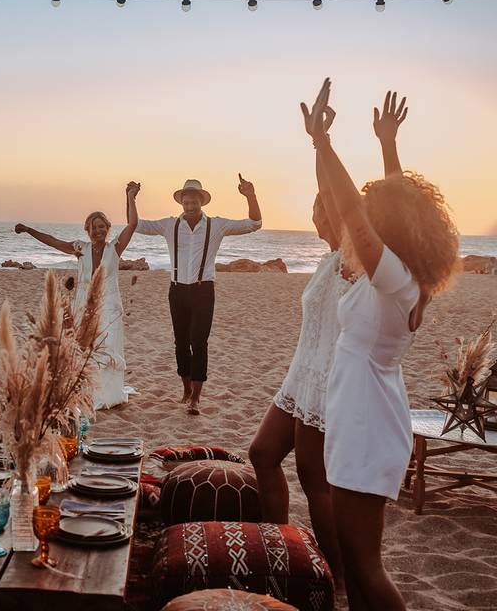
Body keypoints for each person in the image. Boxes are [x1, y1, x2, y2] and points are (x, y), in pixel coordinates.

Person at [302, 78, 459, 610]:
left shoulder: (393, 278)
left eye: (376, 212)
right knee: (359, 558)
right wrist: (388, 147)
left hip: (366, 426)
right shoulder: (406, 274)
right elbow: (401, 207)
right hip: (365, 415)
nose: (362, 218)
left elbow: (355, 215)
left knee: (366, 569)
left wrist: (323, 144)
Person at [248, 90, 411, 591]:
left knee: (314, 480)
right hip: (303, 375)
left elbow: (381, 207)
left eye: (325, 208)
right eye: (315, 208)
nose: (317, 213)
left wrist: (340, 145)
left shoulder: (358, 262)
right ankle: (287, 549)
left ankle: (332, 574)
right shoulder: (327, 261)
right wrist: (319, 140)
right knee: (262, 454)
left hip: (334, 385)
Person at [136, 176, 262, 414]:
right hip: (177, 290)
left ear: (201, 201)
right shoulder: (169, 225)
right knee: (181, 343)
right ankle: (185, 389)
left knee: (199, 342)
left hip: (204, 290)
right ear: (181, 201)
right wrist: (130, 199)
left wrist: (250, 196)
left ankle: (196, 397)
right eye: (187, 197)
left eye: (195, 197)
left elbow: (255, 223)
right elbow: (137, 224)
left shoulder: (217, 225)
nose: (190, 201)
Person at [14, 182, 141, 410]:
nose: (99, 230)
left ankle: (108, 394)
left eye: (102, 226)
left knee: (108, 345)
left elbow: (133, 224)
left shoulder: (115, 248)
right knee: (86, 347)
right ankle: (89, 392)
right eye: (94, 227)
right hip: (83, 304)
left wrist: (130, 196)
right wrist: (29, 230)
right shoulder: (80, 248)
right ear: (87, 230)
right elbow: (53, 242)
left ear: (108, 228)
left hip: (109, 305)